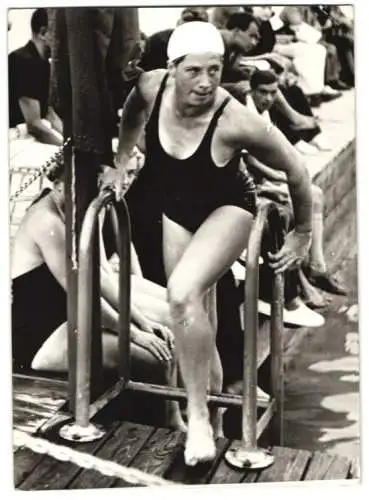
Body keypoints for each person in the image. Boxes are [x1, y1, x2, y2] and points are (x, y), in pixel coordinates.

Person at [107, 21, 314, 466]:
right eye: (194, 71)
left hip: (230, 209)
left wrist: (303, 233)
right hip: (177, 212)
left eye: (214, 71)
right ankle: (218, 428)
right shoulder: (150, 86)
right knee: (196, 319)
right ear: (172, 68)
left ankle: (198, 418)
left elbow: (297, 172)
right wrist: (122, 161)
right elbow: (131, 115)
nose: (205, 83)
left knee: (181, 293)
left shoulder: (236, 120)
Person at [10, 155, 188, 428]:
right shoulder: (46, 221)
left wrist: (142, 320)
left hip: (72, 316)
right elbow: (84, 298)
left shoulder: (78, 210)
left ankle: (174, 416)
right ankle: (169, 427)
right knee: (154, 357)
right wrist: (133, 332)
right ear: (57, 184)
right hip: (41, 337)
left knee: (164, 336)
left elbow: (101, 276)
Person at [245, 70, 347, 303]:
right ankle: (300, 283)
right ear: (252, 90)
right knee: (292, 208)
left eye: (273, 93)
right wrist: (281, 179)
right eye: (263, 93)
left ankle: (317, 266)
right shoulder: (247, 111)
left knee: (316, 194)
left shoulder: (264, 110)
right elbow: (249, 160)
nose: (268, 98)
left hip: (264, 178)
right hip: (251, 182)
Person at [8, 8, 63, 145]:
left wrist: (72, 142)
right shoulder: (24, 62)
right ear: (43, 33)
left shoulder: (42, 63)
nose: (63, 43)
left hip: (29, 136)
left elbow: (49, 113)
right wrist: (67, 149)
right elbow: (34, 125)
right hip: (15, 139)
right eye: (60, 36)